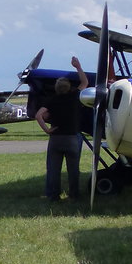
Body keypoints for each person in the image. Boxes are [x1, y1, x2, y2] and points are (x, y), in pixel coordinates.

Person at [35, 56, 89, 202]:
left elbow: (39, 115)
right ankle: (74, 195)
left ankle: (53, 196)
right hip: (72, 138)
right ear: (69, 87)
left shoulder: (51, 100)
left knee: (54, 170)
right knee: (73, 170)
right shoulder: (75, 97)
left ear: (57, 89)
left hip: (56, 138)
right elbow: (85, 82)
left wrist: (47, 130)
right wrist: (78, 66)